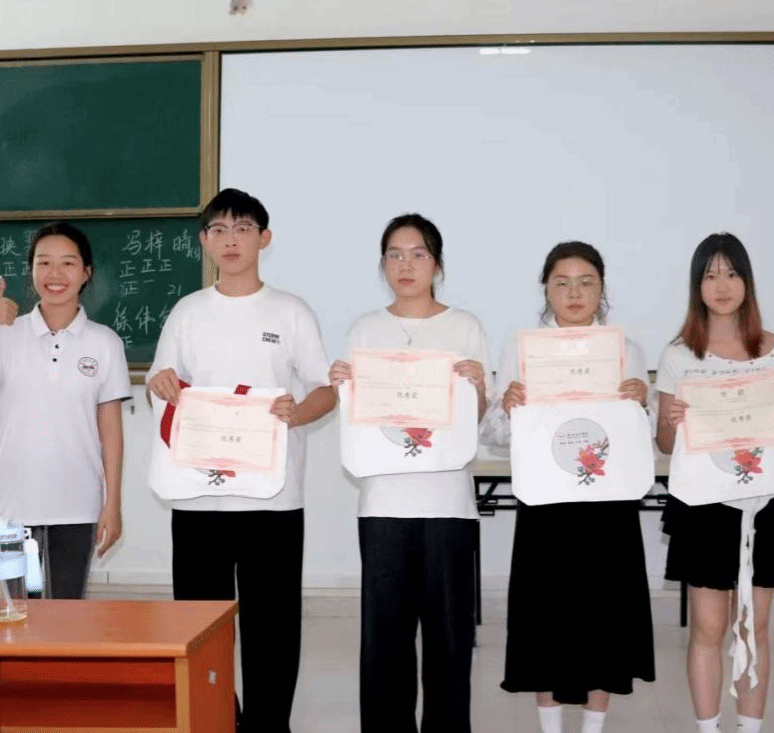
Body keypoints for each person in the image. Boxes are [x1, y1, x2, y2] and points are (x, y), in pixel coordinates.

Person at [145, 188, 335, 733]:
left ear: (264, 238)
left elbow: (325, 389)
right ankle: (217, 721)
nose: (231, 240)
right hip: (198, 498)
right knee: (199, 627)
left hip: (273, 499)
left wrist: (297, 413)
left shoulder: (291, 311)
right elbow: (162, 381)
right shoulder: (187, 312)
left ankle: (270, 726)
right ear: (204, 241)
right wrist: (161, 382)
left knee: (273, 629)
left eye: (244, 228)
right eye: (220, 230)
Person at [484, 241, 655, 733]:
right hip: (546, 506)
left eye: (586, 282)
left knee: (607, 623)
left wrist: (642, 405)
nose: (574, 293)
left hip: (608, 507)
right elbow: (494, 435)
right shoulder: (522, 350)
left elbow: (644, 438)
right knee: (545, 623)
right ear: (546, 290)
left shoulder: (627, 350)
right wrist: (508, 407)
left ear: (602, 289)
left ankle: (593, 728)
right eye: (562, 283)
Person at [328, 213, 489, 733]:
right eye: (394, 255)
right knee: (385, 641)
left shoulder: (465, 327)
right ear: (382, 265)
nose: (406, 265)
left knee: (449, 640)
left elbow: (477, 418)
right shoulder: (364, 329)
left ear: (437, 264)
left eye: (418, 254)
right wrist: (343, 385)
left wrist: (477, 388)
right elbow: (359, 419)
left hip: (448, 505)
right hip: (382, 504)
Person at [0, 221, 130, 599]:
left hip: (77, 505)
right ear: (31, 270)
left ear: (86, 272)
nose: (55, 274)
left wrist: (112, 503)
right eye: (44, 262)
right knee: (13, 613)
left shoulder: (105, 343)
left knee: (65, 616)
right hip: (8, 509)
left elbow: (111, 431)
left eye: (68, 263)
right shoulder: (3, 334)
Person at [654, 233, 774, 733]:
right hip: (705, 506)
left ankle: (750, 728)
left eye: (732, 273)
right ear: (697, 286)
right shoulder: (680, 355)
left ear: (747, 281)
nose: (722, 285)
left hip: (767, 503)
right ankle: (708, 728)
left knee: (755, 626)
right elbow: (665, 444)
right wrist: (672, 422)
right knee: (709, 628)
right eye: (710, 275)